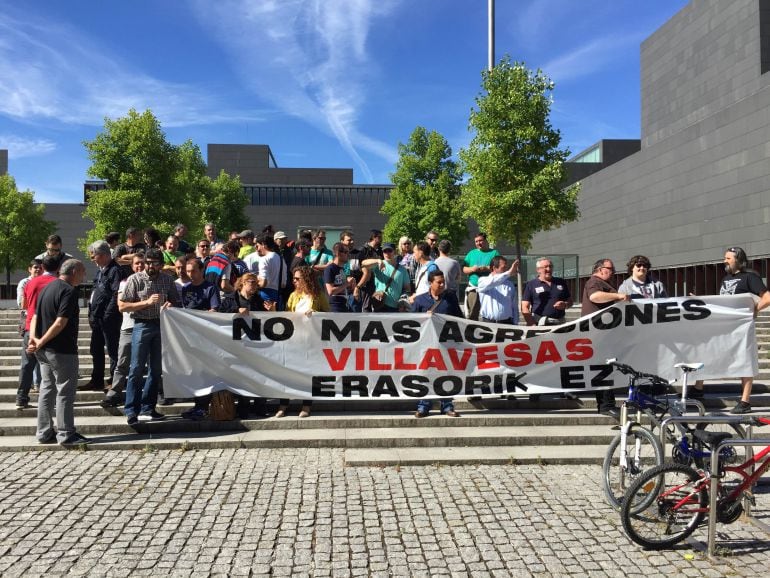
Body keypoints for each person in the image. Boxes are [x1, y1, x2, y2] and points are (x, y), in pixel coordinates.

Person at [688, 247, 770, 413]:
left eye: (728, 258)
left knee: (745, 360)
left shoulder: (750, 277)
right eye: (724, 258)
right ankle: (698, 390)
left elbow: (767, 297)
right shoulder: (725, 279)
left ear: (738, 260)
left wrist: (753, 310)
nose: (724, 261)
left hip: (741, 329)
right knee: (707, 350)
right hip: (724, 327)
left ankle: (745, 402)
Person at [182, 274, 275, 421]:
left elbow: (267, 323)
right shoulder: (231, 299)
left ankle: (260, 408)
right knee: (242, 378)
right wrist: (236, 312)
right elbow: (221, 318)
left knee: (258, 377)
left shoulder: (259, 300)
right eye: (252, 282)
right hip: (235, 346)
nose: (255, 285)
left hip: (255, 347)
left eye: (257, 283)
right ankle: (243, 409)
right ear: (242, 283)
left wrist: (271, 312)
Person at [27, 258, 90, 446]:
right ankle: (65, 433)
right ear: (74, 272)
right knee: (65, 391)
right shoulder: (69, 291)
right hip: (62, 350)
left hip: (44, 350)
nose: (84, 275)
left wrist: (34, 339)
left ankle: (44, 432)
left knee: (47, 390)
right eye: (82, 271)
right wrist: (41, 340)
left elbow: (35, 316)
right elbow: (61, 322)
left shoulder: (47, 288)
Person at [118, 248, 180, 425]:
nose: (151, 265)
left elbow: (176, 301)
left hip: (161, 325)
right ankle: (131, 409)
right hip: (142, 324)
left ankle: (148, 407)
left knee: (156, 370)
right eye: (149, 262)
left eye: (155, 263)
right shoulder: (135, 279)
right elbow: (122, 306)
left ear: (161, 264)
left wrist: (170, 304)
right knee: (136, 368)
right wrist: (146, 302)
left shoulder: (167, 280)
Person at [277, 266, 330, 418]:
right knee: (287, 373)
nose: (294, 281)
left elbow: (328, 315)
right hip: (293, 340)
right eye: (294, 278)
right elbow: (287, 315)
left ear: (306, 279)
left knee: (308, 373)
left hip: (311, 341)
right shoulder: (293, 295)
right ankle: (283, 405)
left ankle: (306, 406)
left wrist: (317, 314)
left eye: (297, 279)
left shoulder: (318, 295)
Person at [581, 259, 630, 419]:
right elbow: (595, 297)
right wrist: (618, 295)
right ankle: (606, 405)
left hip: (604, 333)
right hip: (597, 335)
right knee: (604, 368)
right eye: (611, 269)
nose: (613, 272)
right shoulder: (594, 282)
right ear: (600, 269)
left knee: (606, 368)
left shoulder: (601, 283)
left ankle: (606, 404)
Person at [412, 270, 463, 418]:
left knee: (445, 374)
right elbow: (412, 323)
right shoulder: (420, 300)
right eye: (439, 282)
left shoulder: (450, 298)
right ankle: (423, 406)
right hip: (426, 345)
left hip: (445, 343)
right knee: (425, 374)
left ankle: (447, 405)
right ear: (430, 283)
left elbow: (459, 318)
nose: (442, 285)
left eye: (443, 282)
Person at [101, 253, 145, 408]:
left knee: (149, 363)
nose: (140, 266)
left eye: (143, 263)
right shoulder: (124, 283)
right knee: (122, 362)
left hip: (147, 326)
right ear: (132, 266)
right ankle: (115, 392)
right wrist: (145, 303)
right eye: (137, 264)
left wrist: (135, 304)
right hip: (128, 326)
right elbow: (122, 306)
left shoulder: (154, 282)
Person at [16, 255, 60, 410]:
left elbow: (25, 305)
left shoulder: (30, 282)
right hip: (50, 329)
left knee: (27, 365)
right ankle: (53, 399)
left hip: (30, 328)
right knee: (53, 365)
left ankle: (21, 398)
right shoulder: (58, 283)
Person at [80, 240, 124, 393]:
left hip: (109, 319)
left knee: (112, 350)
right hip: (98, 318)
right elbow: (95, 293)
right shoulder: (100, 271)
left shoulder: (114, 271)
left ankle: (114, 380)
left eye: (94, 256)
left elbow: (115, 295)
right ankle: (96, 379)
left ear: (104, 255)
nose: (92, 259)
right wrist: (92, 314)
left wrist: (107, 315)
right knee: (96, 349)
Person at [521, 258, 573, 326]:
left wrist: (565, 305)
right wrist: (531, 323)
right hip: (539, 324)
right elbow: (524, 306)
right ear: (538, 270)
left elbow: (570, 301)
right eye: (545, 267)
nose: (548, 269)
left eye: (550, 266)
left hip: (559, 323)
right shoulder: (531, 284)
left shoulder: (561, 282)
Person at [361, 243, 411, 312]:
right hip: (379, 304)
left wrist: (403, 302)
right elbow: (363, 263)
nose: (387, 253)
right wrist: (378, 261)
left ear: (395, 252)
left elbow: (407, 289)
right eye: (385, 251)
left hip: (395, 306)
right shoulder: (378, 264)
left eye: (389, 251)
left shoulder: (402, 269)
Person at [462, 232, 499, 320]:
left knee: (489, 314)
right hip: (474, 288)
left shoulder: (494, 253)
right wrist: (472, 269)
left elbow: (499, 268)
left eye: (481, 240)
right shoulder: (471, 253)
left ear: (486, 241)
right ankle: (471, 332)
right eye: (476, 241)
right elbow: (464, 269)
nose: (479, 243)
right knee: (472, 314)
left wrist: (486, 268)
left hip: (489, 289)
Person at [477, 256, 520, 324]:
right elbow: (494, 281)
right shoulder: (483, 281)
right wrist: (509, 273)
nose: (506, 270)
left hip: (507, 323)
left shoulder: (509, 284)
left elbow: (514, 305)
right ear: (494, 268)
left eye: (507, 268)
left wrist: (516, 322)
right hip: (489, 323)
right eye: (503, 268)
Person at [324, 242, 354, 313]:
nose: (348, 255)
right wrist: (347, 284)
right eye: (346, 252)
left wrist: (351, 285)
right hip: (335, 306)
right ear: (337, 253)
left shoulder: (342, 269)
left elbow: (342, 287)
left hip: (345, 305)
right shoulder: (330, 268)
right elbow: (330, 291)